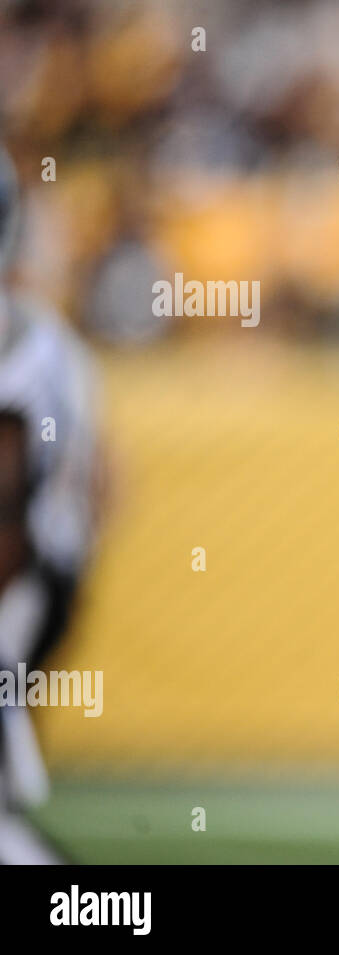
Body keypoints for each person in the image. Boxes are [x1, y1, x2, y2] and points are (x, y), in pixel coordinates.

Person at [0, 146, 103, 863]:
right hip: (44, 573)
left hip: (18, 576)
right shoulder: (51, 335)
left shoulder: (20, 337)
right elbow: (110, 480)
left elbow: (7, 503)